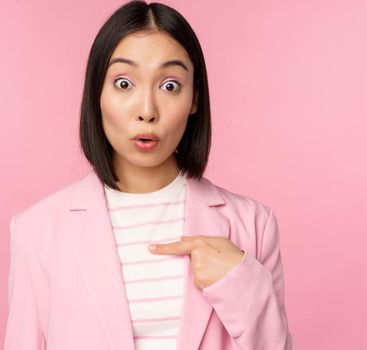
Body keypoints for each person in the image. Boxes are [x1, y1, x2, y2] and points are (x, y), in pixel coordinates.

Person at [4, 1, 294, 349]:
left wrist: (241, 285)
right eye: (124, 83)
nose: (147, 111)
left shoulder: (254, 224)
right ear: (97, 92)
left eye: (169, 85)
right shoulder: (37, 230)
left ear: (195, 98)